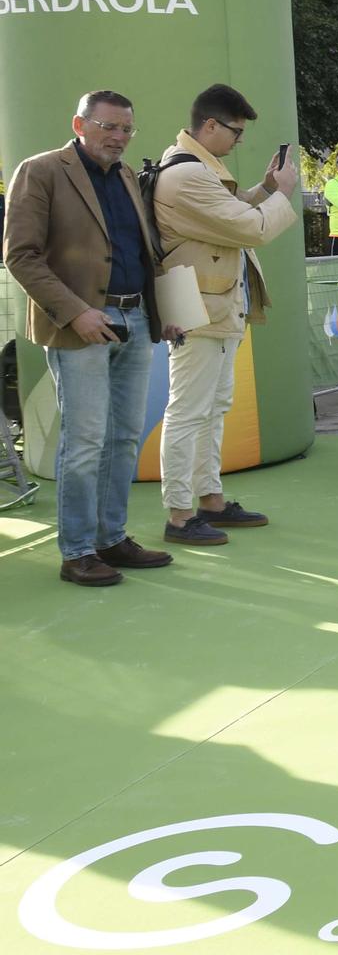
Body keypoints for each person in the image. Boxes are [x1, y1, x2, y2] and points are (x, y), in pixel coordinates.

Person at [5, 90, 185, 585]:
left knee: (124, 438)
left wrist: (163, 311)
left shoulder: (128, 175)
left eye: (127, 129)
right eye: (109, 127)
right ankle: (78, 551)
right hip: (79, 324)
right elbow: (21, 256)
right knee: (84, 442)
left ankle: (111, 538)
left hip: (136, 320)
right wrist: (76, 312)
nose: (119, 137)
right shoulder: (39, 171)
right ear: (79, 124)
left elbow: (144, 251)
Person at [152, 83, 298, 546]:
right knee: (190, 412)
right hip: (197, 309)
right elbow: (250, 228)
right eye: (235, 131)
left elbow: (227, 215)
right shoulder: (189, 175)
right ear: (210, 126)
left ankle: (209, 499)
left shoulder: (192, 168)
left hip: (210, 305)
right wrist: (282, 196)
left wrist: (264, 188)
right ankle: (179, 515)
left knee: (210, 409)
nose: (239, 141)